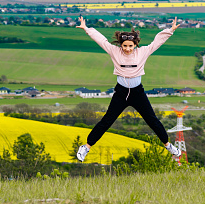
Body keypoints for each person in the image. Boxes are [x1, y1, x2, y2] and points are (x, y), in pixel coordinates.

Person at [75, 15, 182, 162]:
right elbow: (101, 40)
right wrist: (87, 29)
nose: (127, 49)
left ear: (135, 45)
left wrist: (170, 31)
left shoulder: (143, 52)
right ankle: (86, 147)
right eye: (124, 46)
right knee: (107, 120)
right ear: (121, 45)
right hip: (121, 93)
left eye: (130, 46)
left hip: (138, 92)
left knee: (152, 120)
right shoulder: (114, 51)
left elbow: (157, 42)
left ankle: (168, 145)